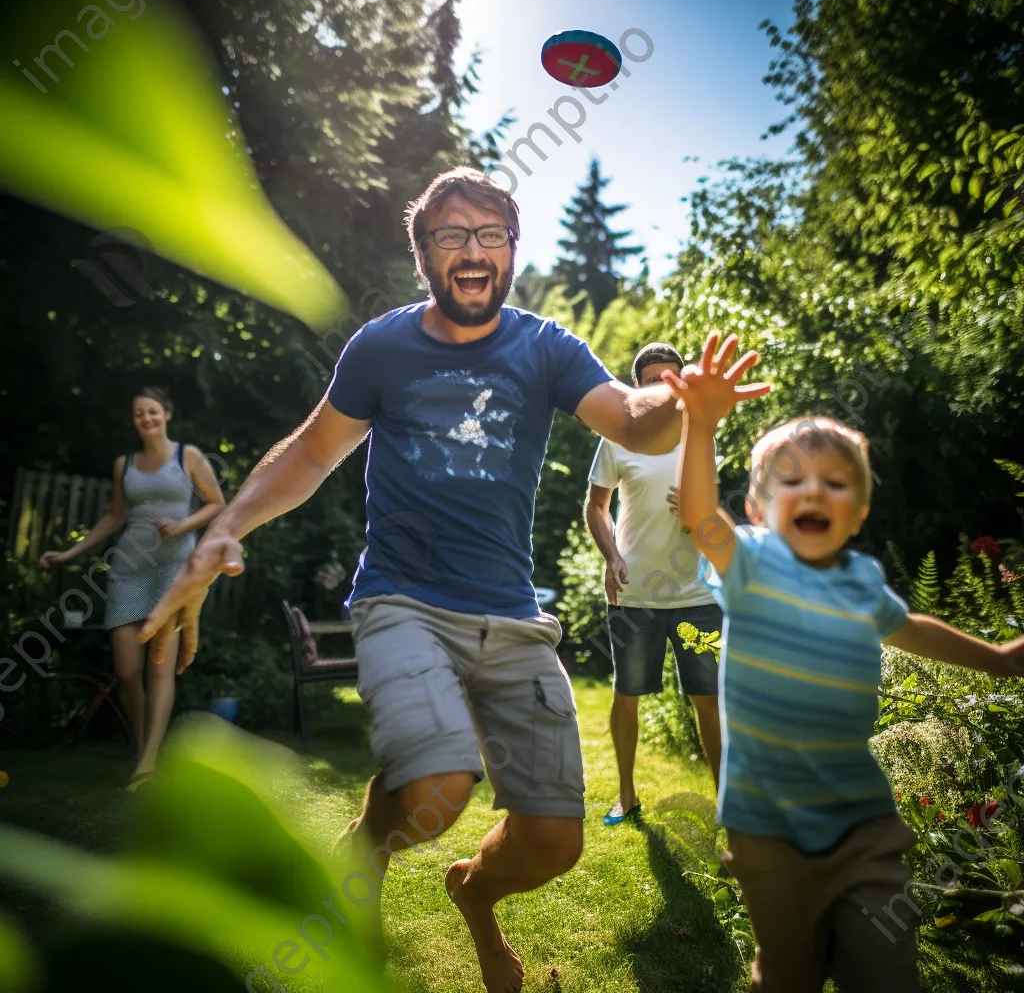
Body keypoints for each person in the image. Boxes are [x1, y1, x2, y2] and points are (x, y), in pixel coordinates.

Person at [137, 166, 685, 993]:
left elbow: (634, 418)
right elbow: (313, 450)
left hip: (512, 611)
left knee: (552, 843)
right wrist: (222, 528)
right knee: (436, 788)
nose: (473, 250)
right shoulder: (383, 347)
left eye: (490, 234)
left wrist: (688, 401)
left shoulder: (546, 348)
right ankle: (366, 843)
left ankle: (474, 896)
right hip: (402, 598)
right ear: (423, 254)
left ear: (511, 250)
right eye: (451, 235)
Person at [665, 332, 1024, 993]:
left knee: (886, 970)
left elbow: (911, 628)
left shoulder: (860, 582)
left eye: (834, 484)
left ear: (856, 512)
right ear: (756, 507)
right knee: (789, 975)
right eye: (792, 480)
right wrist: (701, 422)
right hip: (768, 832)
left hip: (862, 824)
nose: (814, 492)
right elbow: (696, 516)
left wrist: (1000, 659)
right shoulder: (750, 563)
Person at [40, 387, 225, 790]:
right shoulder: (124, 464)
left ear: (167, 413)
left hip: (174, 569)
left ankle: (146, 764)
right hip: (129, 568)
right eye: (139, 413)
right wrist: (71, 553)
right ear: (134, 420)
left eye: (153, 411)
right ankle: (145, 749)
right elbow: (114, 516)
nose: (147, 418)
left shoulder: (187, 456)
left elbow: (216, 504)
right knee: (126, 671)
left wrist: (183, 525)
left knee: (160, 668)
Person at [585, 342, 723, 827]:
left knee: (709, 701)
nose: (665, 386)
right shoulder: (617, 437)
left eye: (673, 377)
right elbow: (596, 508)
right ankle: (626, 795)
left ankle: (727, 803)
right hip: (634, 592)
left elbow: (711, 518)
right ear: (637, 387)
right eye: (653, 379)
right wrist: (612, 555)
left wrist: (695, 511)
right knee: (628, 694)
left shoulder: (701, 433)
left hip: (698, 595)